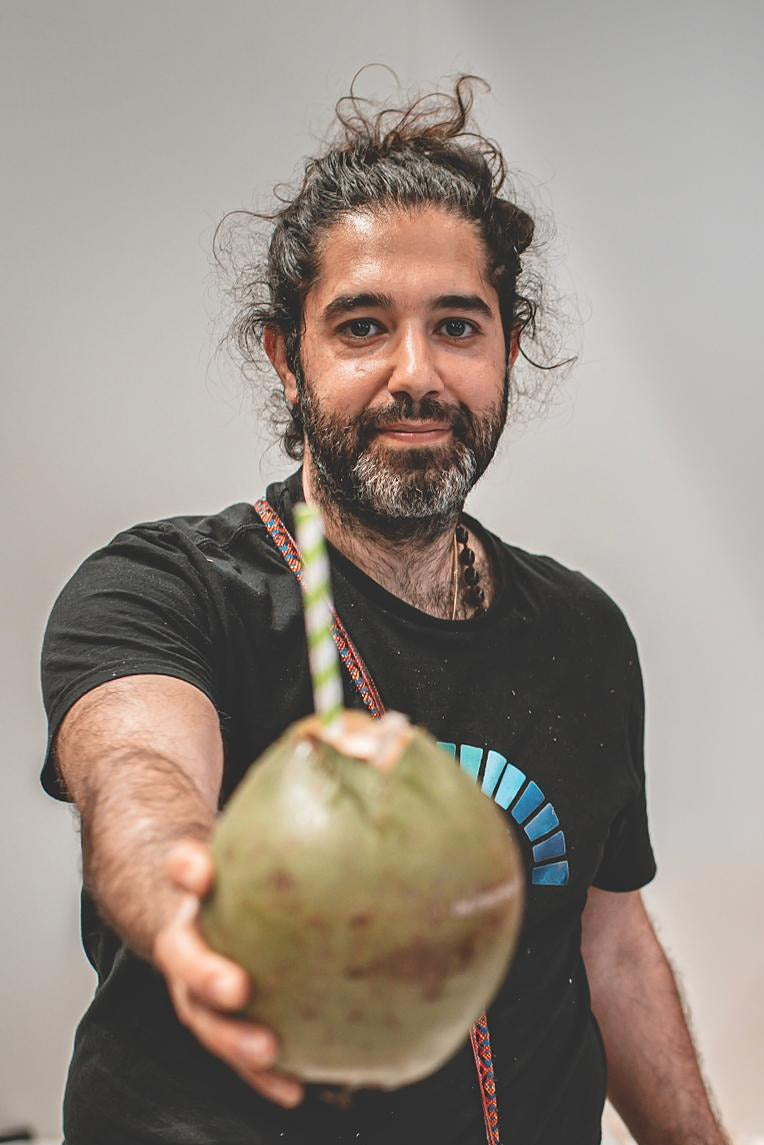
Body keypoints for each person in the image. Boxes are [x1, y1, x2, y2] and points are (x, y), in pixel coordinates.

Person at [40, 76, 729, 1145]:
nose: (416, 374)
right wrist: (185, 904)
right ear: (286, 357)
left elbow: (607, 942)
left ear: (507, 346)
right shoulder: (165, 588)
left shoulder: (580, 631)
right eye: (361, 326)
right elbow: (138, 773)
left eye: (456, 325)